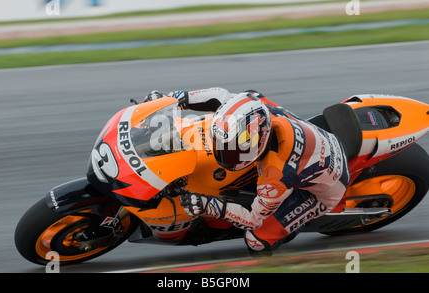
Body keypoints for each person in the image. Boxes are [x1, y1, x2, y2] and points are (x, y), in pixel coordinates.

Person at [144, 88, 350, 253]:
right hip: (308, 141)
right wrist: (170, 101)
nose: (225, 154)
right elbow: (220, 96)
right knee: (254, 94)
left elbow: (253, 218)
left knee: (256, 240)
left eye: (233, 150)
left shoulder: (275, 175)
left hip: (325, 188)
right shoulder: (255, 108)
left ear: (258, 143)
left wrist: (209, 205)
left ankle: (293, 226)